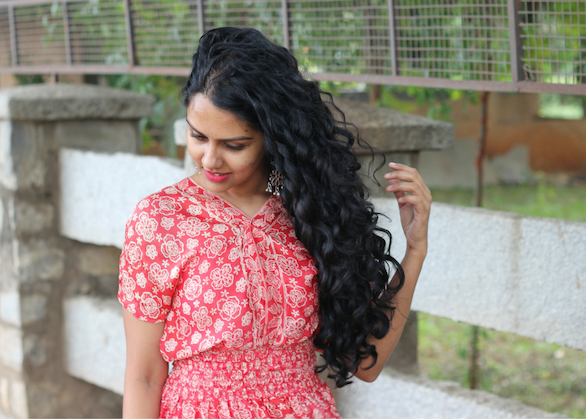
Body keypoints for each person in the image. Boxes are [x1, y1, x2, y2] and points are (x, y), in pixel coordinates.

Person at [118, 27, 431, 419]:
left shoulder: (311, 212)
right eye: (198, 136)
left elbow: (365, 363)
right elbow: (144, 376)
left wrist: (415, 251)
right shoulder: (161, 220)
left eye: (234, 145)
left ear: (272, 137)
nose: (210, 158)